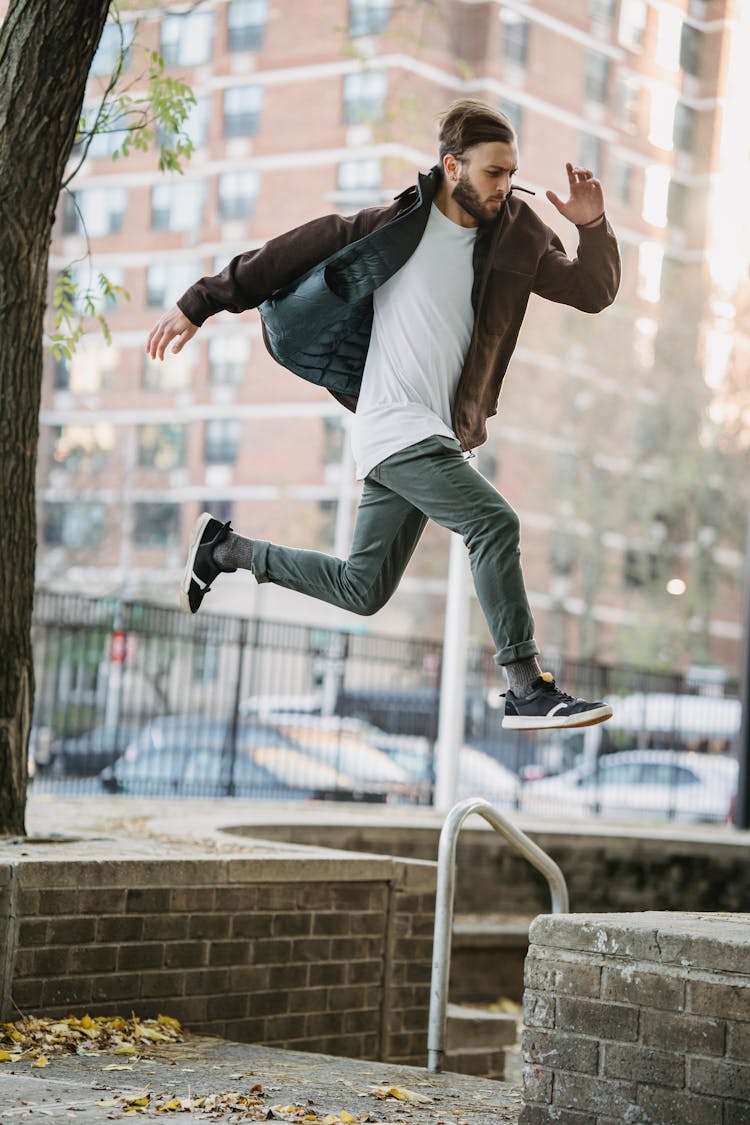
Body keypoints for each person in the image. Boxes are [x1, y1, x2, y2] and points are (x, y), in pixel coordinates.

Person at [146, 99, 621, 731]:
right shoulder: (390, 227)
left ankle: (226, 551)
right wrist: (199, 303)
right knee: (493, 523)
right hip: (394, 424)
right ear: (452, 166)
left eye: (512, 173)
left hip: (436, 434)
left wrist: (594, 227)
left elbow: (590, 292)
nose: (506, 186)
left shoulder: (522, 233)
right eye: (493, 173)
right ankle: (525, 685)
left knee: (362, 589)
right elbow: (282, 256)